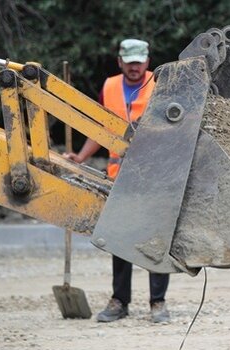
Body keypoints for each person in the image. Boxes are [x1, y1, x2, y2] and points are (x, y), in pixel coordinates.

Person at [65, 38, 170, 324]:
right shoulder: (110, 87)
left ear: (147, 62)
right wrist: (81, 158)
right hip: (120, 180)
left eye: (139, 62)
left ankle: (158, 303)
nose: (134, 68)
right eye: (130, 62)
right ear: (120, 61)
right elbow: (101, 128)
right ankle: (119, 301)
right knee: (120, 240)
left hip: (155, 178)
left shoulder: (161, 85)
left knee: (155, 241)